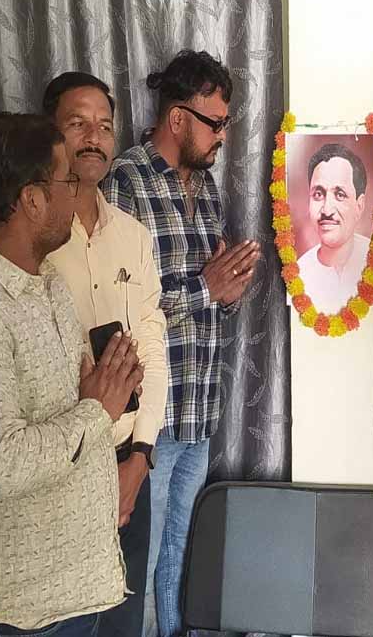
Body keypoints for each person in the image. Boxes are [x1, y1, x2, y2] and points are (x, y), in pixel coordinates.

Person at [0, 112, 144, 637]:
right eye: (68, 180)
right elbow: (1, 464)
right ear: (33, 200)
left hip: (78, 587)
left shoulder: (48, 284)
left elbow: (81, 408)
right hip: (26, 610)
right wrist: (97, 410)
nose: (78, 192)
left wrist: (107, 391)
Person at [104, 50, 261, 637]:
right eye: (215, 122)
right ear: (177, 118)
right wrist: (205, 289)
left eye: (226, 123)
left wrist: (229, 290)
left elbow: (210, 294)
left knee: (178, 553)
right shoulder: (126, 182)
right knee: (140, 561)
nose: (223, 135)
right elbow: (120, 312)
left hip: (200, 408)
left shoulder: (209, 187)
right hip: (152, 416)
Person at [43, 72, 169, 637]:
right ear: (48, 133)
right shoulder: (29, 236)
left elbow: (154, 351)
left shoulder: (132, 235)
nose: (93, 137)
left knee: (123, 624)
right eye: (77, 124)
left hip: (127, 467)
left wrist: (140, 458)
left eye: (104, 126)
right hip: (59, 470)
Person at [297, 143, 371, 312]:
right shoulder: (300, 273)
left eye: (339, 195)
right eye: (318, 194)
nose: (327, 210)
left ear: (359, 206)